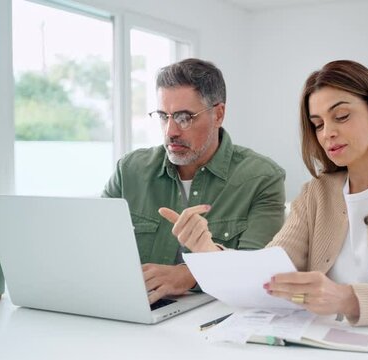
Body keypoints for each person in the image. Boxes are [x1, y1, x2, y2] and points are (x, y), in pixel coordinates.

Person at [163, 60, 368, 327]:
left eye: (341, 117)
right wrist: (207, 249)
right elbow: (268, 271)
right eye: (317, 124)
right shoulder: (316, 194)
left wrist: (346, 298)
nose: (328, 133)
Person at [103, 58, 286, 304]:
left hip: (217, 318)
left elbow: (258, 272)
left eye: (184, 117)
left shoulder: (261, 178)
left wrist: (190, 274)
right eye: (163, 116)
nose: (170, 131)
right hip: (134, 311)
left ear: (218, 114)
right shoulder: (129, 171)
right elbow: (96, 249)